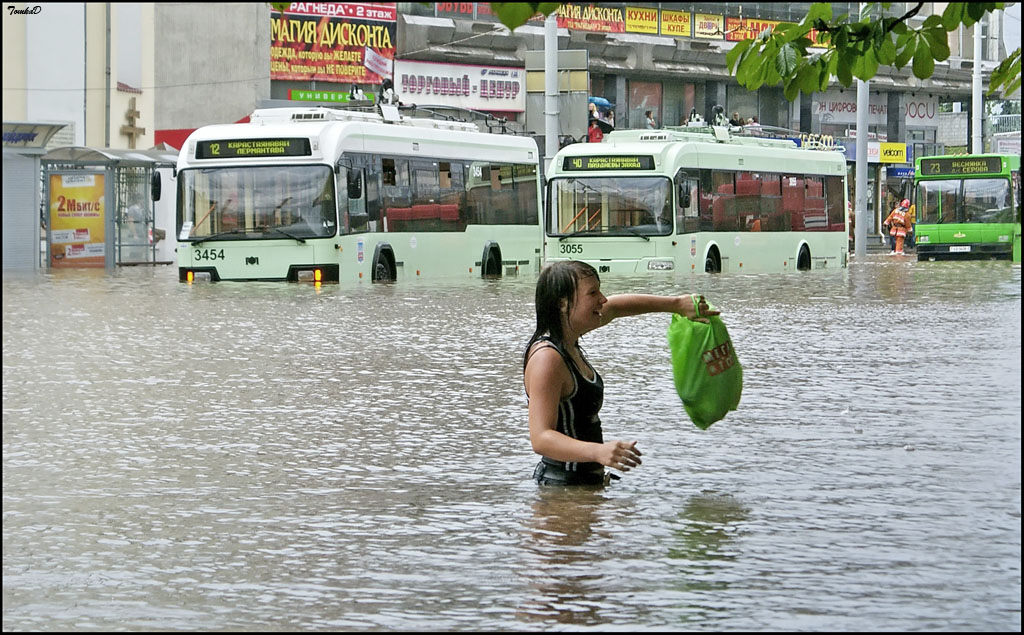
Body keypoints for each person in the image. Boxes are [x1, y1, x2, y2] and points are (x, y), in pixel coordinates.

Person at [523, 260, 718, 486]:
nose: (603, 299)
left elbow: (616, 307)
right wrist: (599, 452)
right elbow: (541, 438)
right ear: (563, 304)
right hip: (561, 489)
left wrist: (677, 304)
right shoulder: (547, 358)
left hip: (581, 487)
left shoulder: (567, 341)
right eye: (593, 293)